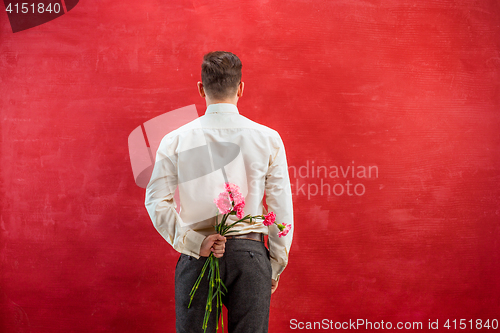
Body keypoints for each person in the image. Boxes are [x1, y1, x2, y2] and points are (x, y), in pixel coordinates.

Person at [145, 51, 293, 333]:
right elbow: (280, 208)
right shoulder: (268, 138)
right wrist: (273, 265)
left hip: (198, 256)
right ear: (240, 88)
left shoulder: (175, 139)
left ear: (201, 88)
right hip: (250, 258)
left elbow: (155, 201)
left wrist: (192, 242)